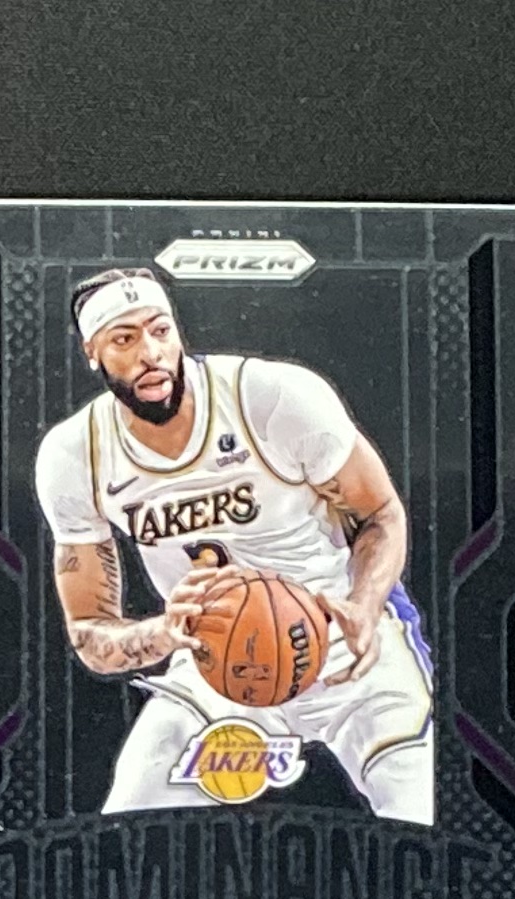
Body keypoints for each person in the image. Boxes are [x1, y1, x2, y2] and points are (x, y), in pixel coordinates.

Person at [34, 264, 437, 820]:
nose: (150, 353)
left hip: (341, 636)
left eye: (161, 330)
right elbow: (88, 630)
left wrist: (365, 606)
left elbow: (382, 514)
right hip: (216, 661)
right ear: (92, 353)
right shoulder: (74, 454)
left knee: (424, 817)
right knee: (128, 824)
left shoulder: (270, 397)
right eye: (124, 339)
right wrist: (163, 632)